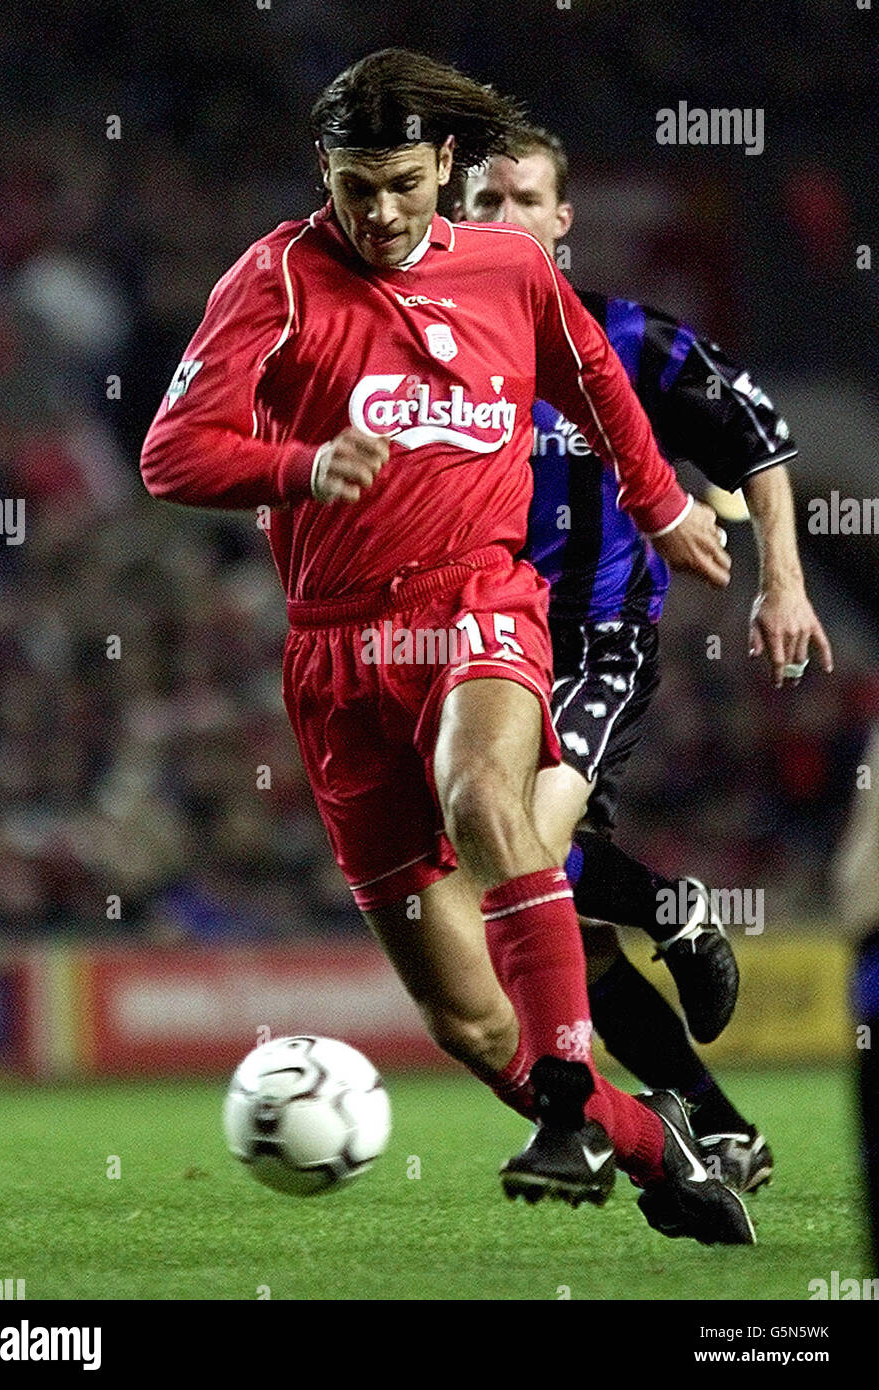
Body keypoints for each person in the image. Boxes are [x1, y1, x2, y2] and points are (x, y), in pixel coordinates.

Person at [141, 48, 752, 1244]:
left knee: (485, 796)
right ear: (325, 170)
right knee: (471, 1026)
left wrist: (662, 503)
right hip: (332, 653)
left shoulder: (509, 270)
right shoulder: (274, 278)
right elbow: (172, 453)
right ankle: (645, 1140)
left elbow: (597, 390)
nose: (377, 212)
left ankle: (570, 1099)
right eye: (354, 185)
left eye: (404, 184)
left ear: (447, 169)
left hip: (473, 598)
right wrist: (300, 466)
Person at [459, 124, 834, 1193]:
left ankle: (581, 1112)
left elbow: (756, 437)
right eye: (478, 203)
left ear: (560, 221)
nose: (497, 220)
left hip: (594, 644)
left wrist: (784, 582)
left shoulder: (626, 339)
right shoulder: (433, 357)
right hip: (479, 650)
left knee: (519, 851)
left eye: (519, 199)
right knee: (554, 921)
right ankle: (720, 1127)